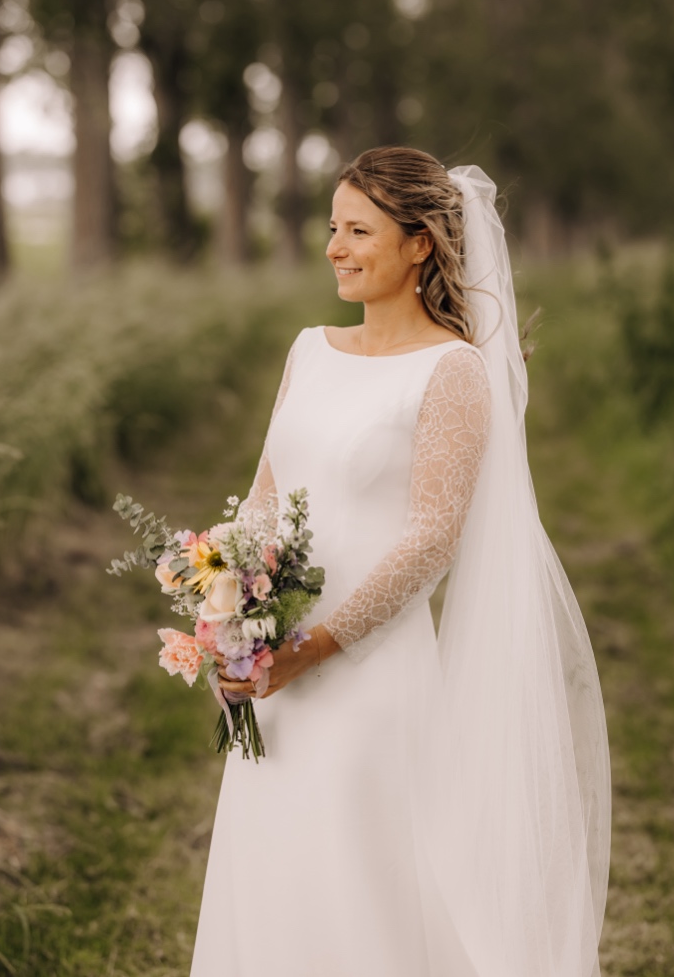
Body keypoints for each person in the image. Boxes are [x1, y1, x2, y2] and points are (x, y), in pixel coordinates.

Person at [193, 147, 610, 975]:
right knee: (277, 881)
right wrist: (227, 622)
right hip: (272, 673)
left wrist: (314, 647)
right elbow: (263, 499)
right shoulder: (308, 349)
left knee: (364, 891)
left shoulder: (452, 371)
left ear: (420, 243)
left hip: (369, 679)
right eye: (332, 228)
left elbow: (430, 540)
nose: (334, 247)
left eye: (358, 230)